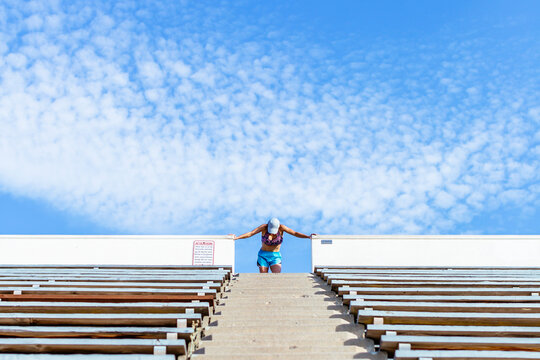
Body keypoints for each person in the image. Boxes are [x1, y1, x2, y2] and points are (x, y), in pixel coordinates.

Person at [232, 217, 315, 273]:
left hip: (275, 256)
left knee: (276, 277)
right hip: (263, 255)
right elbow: (250, 233)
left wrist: (308, 237)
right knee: (264, 278)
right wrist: (237, 238)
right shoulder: (264, 227)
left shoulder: (282, 228)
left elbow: (295, 233)